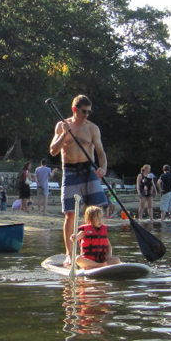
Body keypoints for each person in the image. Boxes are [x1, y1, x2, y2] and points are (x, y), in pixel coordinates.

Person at [49, 95, 108, 257]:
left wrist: (103, 168)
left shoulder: (92, 128)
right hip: (70, 171)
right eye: (83, 111)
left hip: (89, 170)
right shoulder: (62, 126)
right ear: (74, 110)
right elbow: (53, 150)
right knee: (70, 213)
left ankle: (97, 251)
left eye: (89, 112)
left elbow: (101, 152)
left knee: (95, 212)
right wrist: (64, 134)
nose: (86, 115)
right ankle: (69, 253)